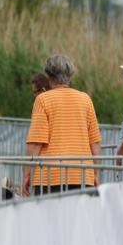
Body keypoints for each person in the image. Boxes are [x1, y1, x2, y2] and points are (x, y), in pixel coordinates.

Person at [23, 54, 102, 196]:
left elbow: (36, 143)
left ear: (49, 75)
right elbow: (94, 143)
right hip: (83, 175)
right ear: (70, 75)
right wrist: (95, 173)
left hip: (50, 177)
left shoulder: (43, 100)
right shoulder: (85, 99)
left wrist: (27, 173)